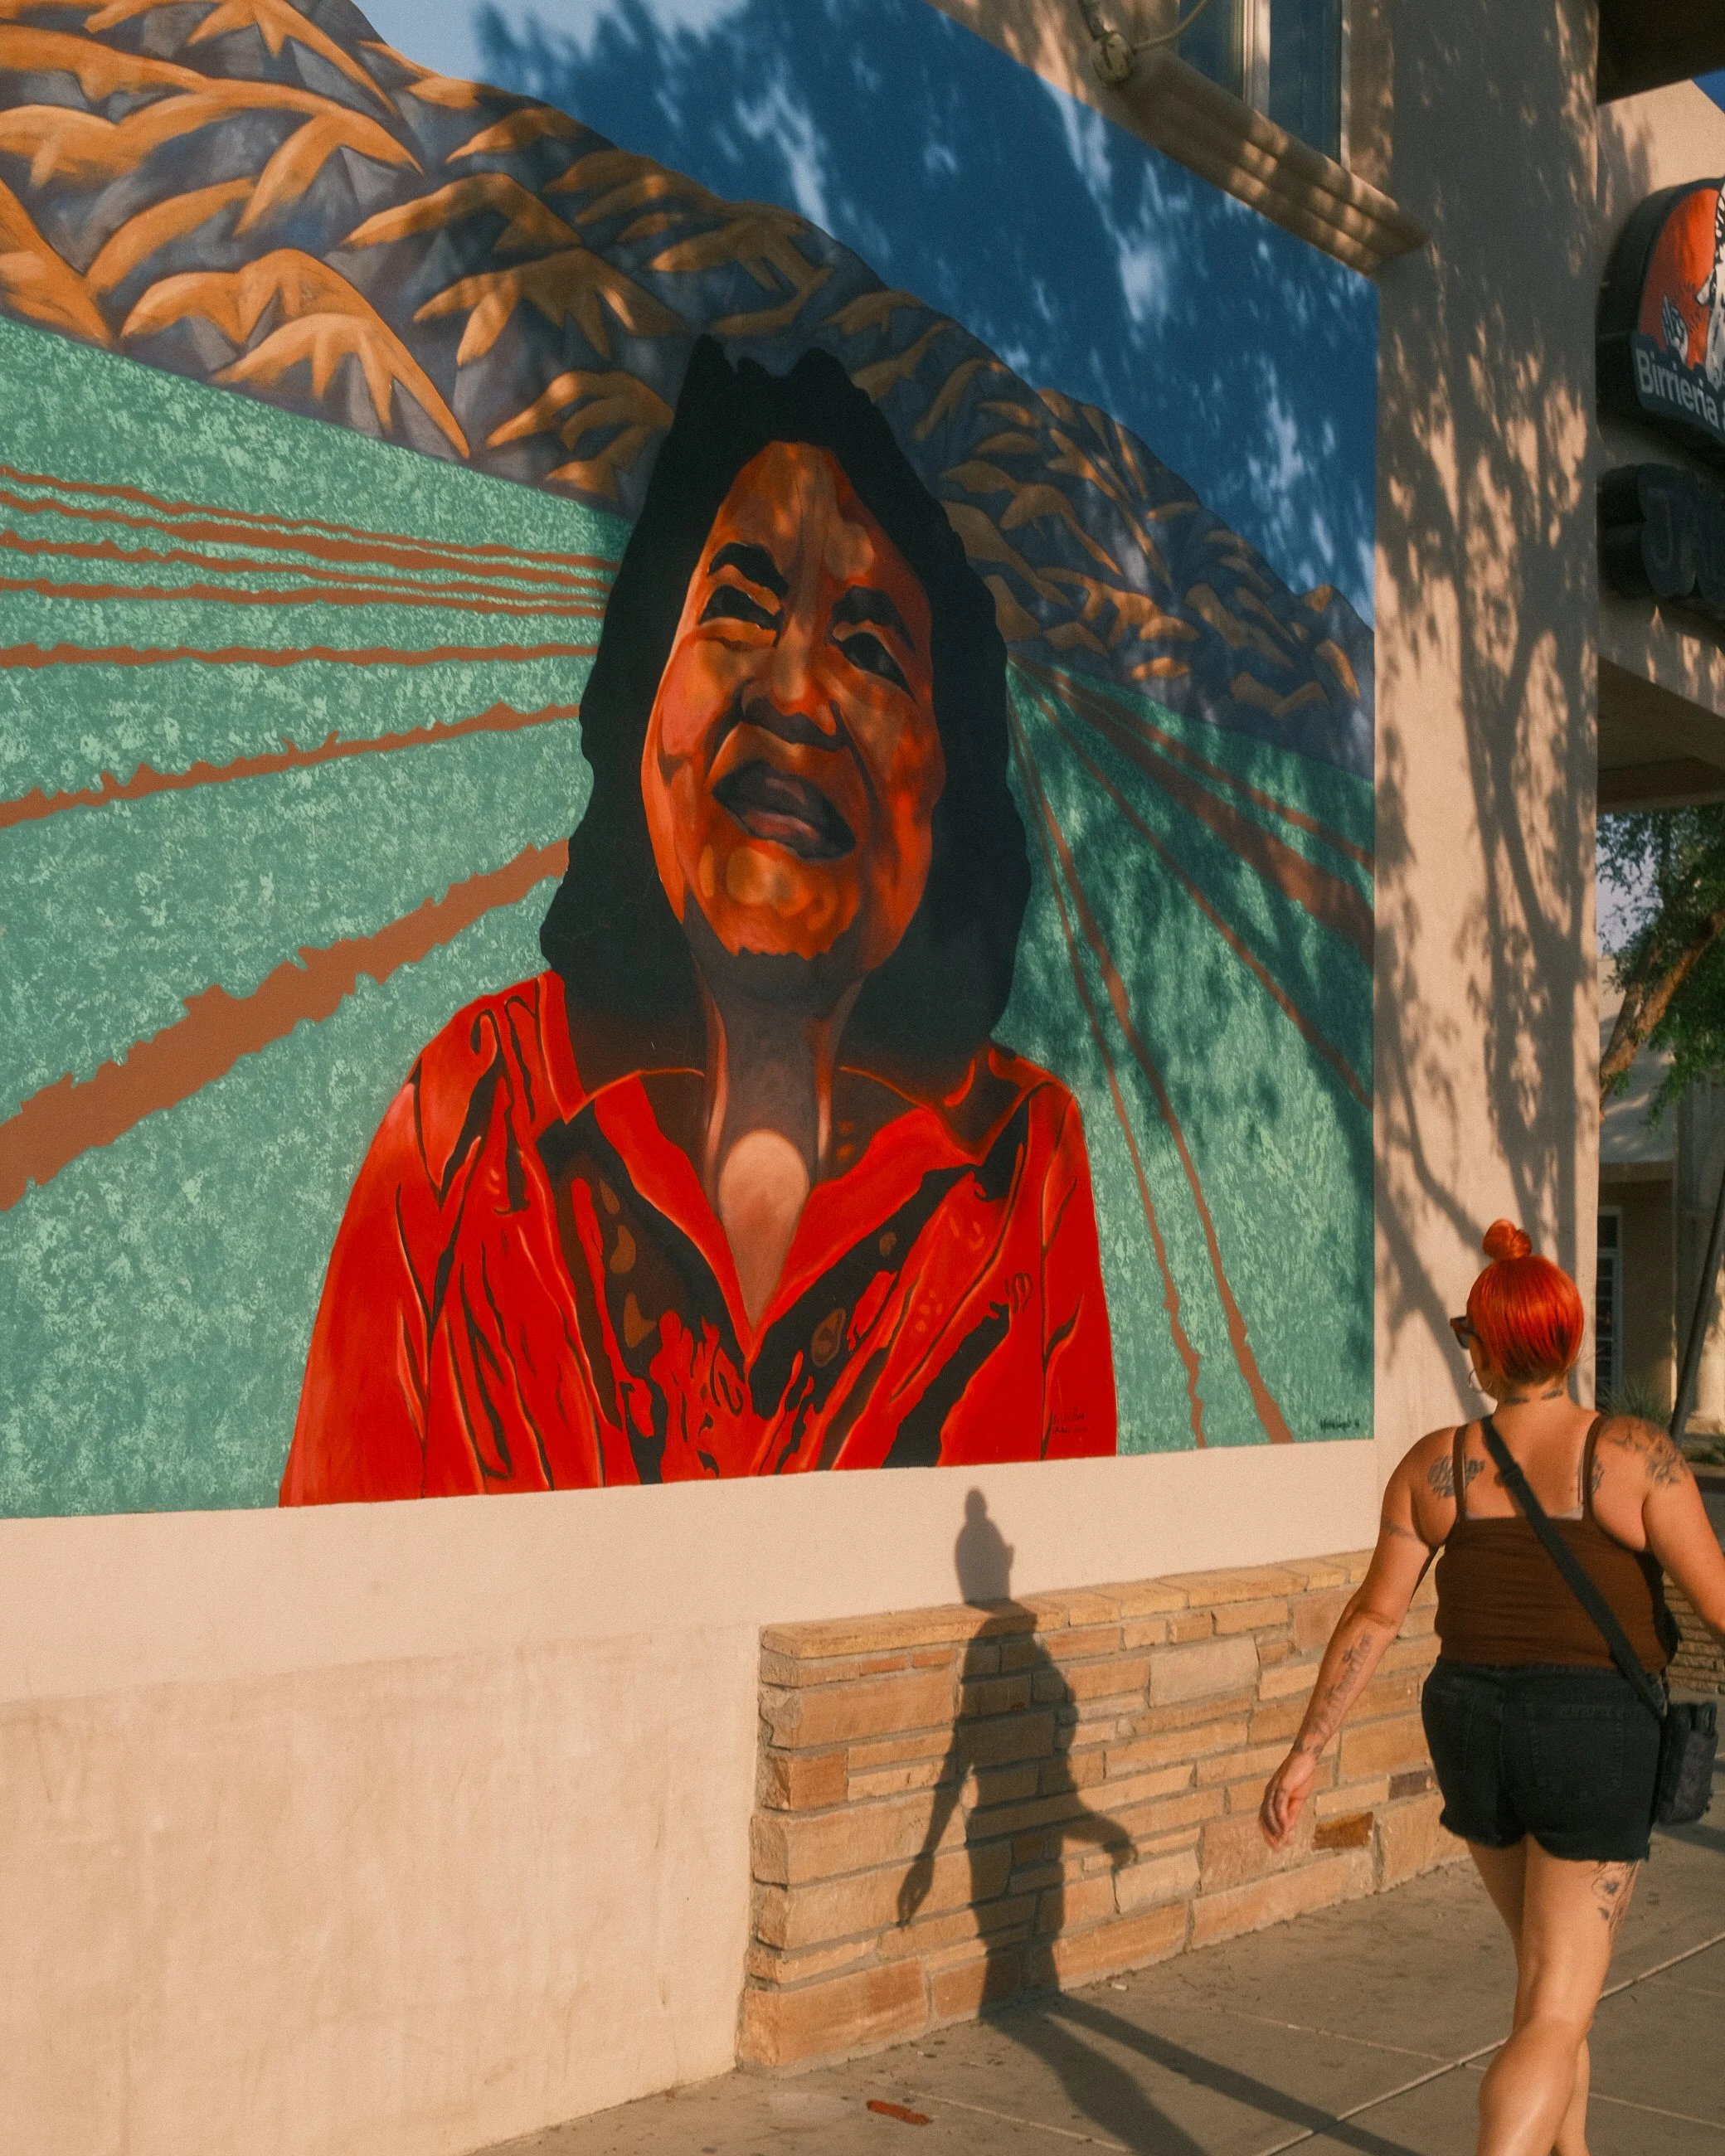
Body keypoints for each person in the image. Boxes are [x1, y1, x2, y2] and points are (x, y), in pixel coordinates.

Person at [280, 337, 1117, 1503]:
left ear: (948, 789)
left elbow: (1055, 1582)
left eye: (870, 646)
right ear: (647, 700)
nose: (791, 690)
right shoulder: (467, 1124)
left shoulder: (1020, 1166)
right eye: (738, 603)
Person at [1260, 1221, 1725, 2156]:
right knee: (1558, 2001)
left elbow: (1372, 1617)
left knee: (1547, 1982)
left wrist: (1306, 1751)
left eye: (1467, 1334)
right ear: (1564, 1340)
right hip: (1592, 1731)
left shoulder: (1437, 1463)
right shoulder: (1634, 1453)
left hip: (1471, 1724)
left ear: (1489, 1346)